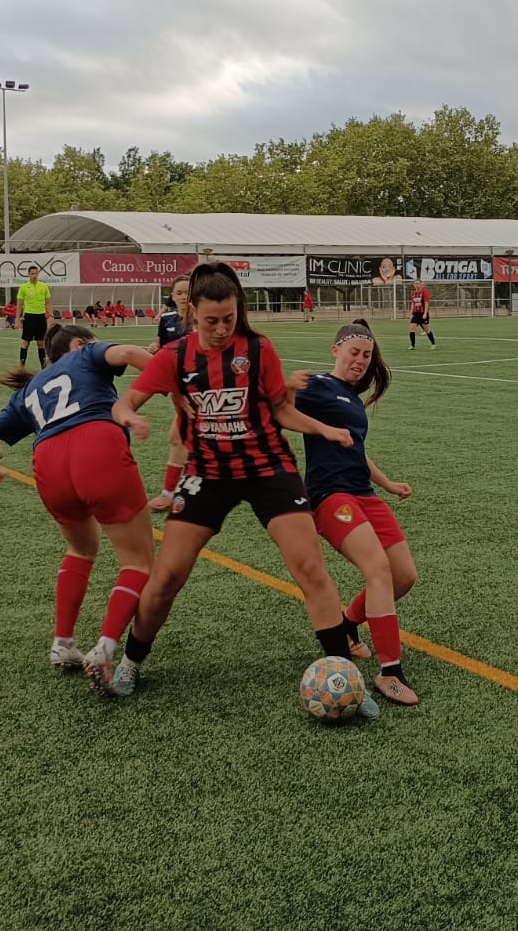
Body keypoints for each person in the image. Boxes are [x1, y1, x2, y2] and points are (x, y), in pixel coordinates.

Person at [109, 262, 366, 708]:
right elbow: (126, 401)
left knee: (310, 569)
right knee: (168, 575)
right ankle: (132, 660)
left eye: (229, 318)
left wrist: (322, 430)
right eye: (211, 321)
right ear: (192, 313)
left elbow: (281, 409)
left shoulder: (260, 350)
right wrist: (129, 415)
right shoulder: (176, 357)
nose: (222, 328)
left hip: (268, 468)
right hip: (207, 473)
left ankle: (344, 676)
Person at [0, 325, 156, 684]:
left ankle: (63, 643)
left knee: (80, 551)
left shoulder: (28, 389)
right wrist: (178, 387)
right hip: (95, 444)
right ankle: (103, 647)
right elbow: (132, 354)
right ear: (79, 343)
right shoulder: (87, 353)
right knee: (138, 561)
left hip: (49, 461)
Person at [293, 320, 420, 705]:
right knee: (378, 569)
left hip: (364, 494)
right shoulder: (316, 386)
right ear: (336, 351)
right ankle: (390, 673)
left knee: (403, 575)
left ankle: (348, 624)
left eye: (367, 355)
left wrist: (388, 484)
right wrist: (283, 386)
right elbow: (274, 405)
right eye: (354, 353)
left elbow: (357, 451)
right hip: (331, 496)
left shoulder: (349, 396)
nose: (361, 361)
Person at [145, 276, 194, 512]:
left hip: (200, 387)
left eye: (188, 292)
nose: (184, 296)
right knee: (186, 437)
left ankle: (170, 493)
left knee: (178, 436)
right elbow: (164, 349)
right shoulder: (166, 319)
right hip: (180, 387)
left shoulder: (202, 318)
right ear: (173, 296)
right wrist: (155, 349)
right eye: (180, 293)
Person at [16, 265, 52, 370]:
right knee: (26, 342)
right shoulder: (23, 287)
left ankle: (44, 367)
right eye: (32, 273)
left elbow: (49, 302)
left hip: (41, 317)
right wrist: (17, 319)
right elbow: (19, 305)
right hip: (29, 317)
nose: (34, 276)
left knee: (41, 343)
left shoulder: (43, 286)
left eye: (36, 273)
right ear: (28, 274)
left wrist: (50, 316)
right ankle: (21, 367)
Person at [408, 279, 436, 349]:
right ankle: (412, 345)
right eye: (415, 284)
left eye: (418, 283)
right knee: (412, 328)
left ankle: (433, 343)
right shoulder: (413, 293)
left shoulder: (425, 292)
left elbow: (426, 303)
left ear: (421, 284)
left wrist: (425, 313)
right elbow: (412, 303)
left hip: (422, 313)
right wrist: (411, 313)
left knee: (427, 330)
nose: (417, 285)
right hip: (416, 314)